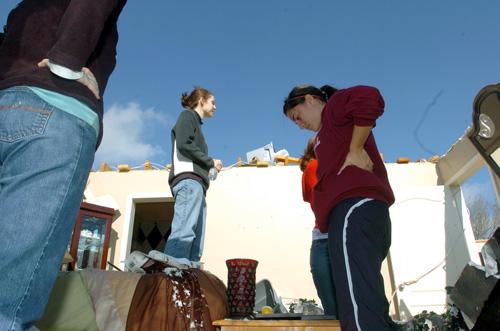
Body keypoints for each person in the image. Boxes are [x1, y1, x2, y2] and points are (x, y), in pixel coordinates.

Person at [0, 1, 127, 329]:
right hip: (55, 112)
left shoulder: (26, 9)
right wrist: (67, 61)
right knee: (9, 306)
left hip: (9, 106)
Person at [283, 84, 397, 331]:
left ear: (310, 99)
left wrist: (356, 148)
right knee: (365, 298)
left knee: (357, 307)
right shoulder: (327, 133)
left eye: (297, 117)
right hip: (360, 214)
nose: (299, 125)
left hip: (354, 209)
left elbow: (369, 96)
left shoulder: (333, 107)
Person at [164, 87, 222, 263]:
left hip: (198, 186)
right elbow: (184, 144)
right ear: (201, 100)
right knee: (184, 233)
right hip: (189, 182)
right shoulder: (187, 116)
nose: (215, 107)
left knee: (196, 241)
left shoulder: (196, 123)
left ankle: (188, 283)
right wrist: (210, 161)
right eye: (213, 102)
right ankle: (171, 280)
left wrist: (208, 168)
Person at [300, 137, 338, 318]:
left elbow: (313, 200)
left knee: (333, 307)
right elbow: (319, 201)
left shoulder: (313, 168)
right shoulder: (315, 166)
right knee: (339, 307)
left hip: (324, 239)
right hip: (328, 238)